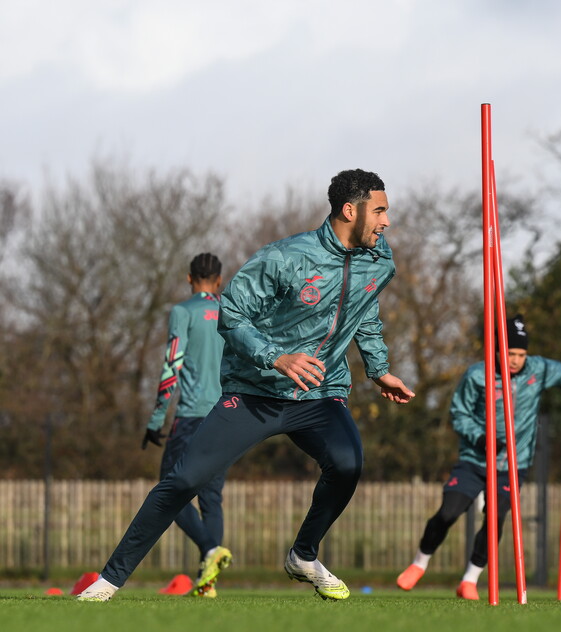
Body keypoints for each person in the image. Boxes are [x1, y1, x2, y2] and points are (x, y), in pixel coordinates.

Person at [78, 169, 415, 602]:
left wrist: (378, 367)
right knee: (184, 481)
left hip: (321, 393)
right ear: (351, 210)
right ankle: (107, 582)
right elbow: (231, 314)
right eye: (381, 210)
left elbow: (364, 310)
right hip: (256, 392)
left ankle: (304, 555)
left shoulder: (379, 259)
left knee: (349, 464)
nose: (387, 221)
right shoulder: (284, 257)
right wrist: (277, 357)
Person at [396, 315, 561, 599]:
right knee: (449, 511)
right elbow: (458, 414)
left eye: (521, 354)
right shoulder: (477, 375)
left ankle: (469, 580)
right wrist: (482, 436)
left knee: (496, 517)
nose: (516, 360)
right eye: (510, 353)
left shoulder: (538, 369)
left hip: (513, 464)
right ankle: (419, 563)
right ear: (498, 351)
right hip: (475, 459)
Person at [142, 252, 228, 597]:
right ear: (219, 281)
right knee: (211, 499)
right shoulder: (229, 312)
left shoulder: (182, 312)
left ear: (189, 278)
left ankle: (210, 549)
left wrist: (156, 418)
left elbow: (172, 365)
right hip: (225, 417)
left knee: (170, 491)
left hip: (191, 417)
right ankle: (207, 585)